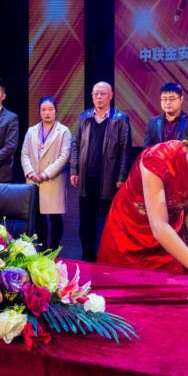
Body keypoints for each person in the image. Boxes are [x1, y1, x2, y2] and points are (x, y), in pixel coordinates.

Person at [98, 88, 188, 306]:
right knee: (124, 299)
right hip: (129, 231)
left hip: (168, 236)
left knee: (168, 302)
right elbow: (159, 226)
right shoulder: (157, 160)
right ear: (186, 147)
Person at [70, 81, 131, 261]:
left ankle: (105, 257)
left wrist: (121, 177)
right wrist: (74, 170)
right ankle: (87, 256)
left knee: (106, 222)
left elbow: (125, 150)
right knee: (85, 223)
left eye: (102, 94)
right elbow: (75, 144)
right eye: (95, 93)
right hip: (86, 178)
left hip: (109, 179)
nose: (98, 97)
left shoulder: (120, 119)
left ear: (111, 95)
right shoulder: (85, 117)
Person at [21, 96, 72, 250]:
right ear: (39, 112)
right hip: (34, 181)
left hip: (52, 180)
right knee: (38, 218)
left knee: (55, 218)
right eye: (43, 110)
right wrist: (31, 172)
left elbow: (64, 157)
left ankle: (54, 249)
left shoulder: (64, 131)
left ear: (56, 111)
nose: (47, 113)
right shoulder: (31, 131)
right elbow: (25, 154)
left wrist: (45, 174)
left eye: (50, 109)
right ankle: (42, 250)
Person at [143, 82, 188, 147]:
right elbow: (147, 149)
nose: (167, 102)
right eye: (164, 99)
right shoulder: (152, 122)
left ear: (181, 99)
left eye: (172, 99)